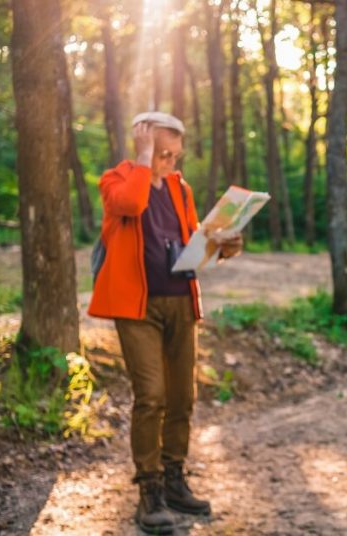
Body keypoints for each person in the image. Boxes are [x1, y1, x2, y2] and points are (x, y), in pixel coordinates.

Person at [87, 111, 243, 533]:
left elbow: (193, 242)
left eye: (175, 155)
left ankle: (175, 481)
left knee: (181, 399)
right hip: (137, 308)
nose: (169, 162)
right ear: (141, 143)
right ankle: (149, 491)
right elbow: (131, 205)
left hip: (180, 302)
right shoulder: (116, 180)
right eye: (161, 153)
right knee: (151, 396)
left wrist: (225, 246)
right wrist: (143, 159)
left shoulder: (180, 188)